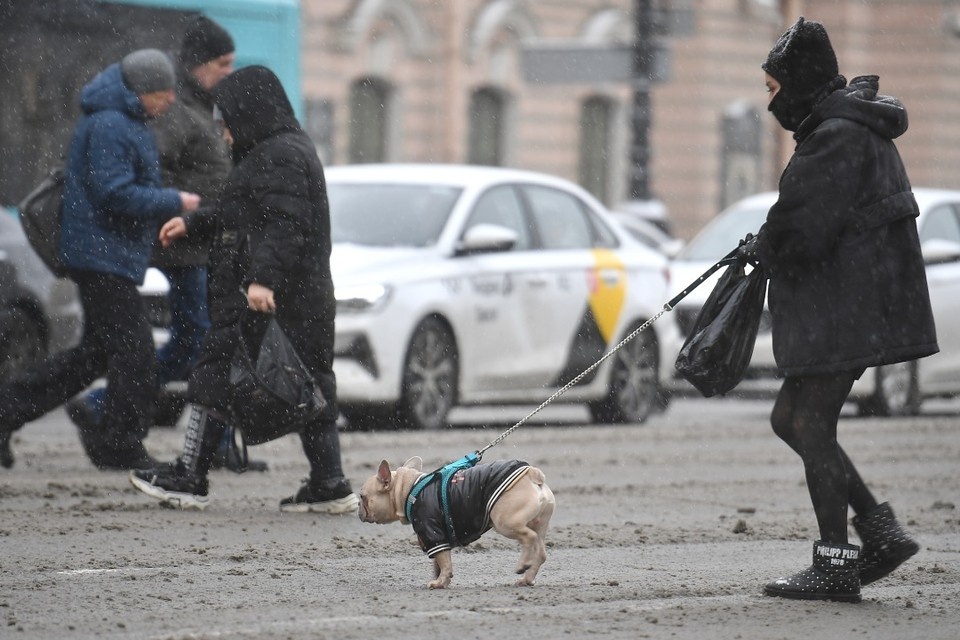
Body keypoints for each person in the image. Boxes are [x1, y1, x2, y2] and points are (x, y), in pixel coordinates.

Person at [739, 17, 939, 603]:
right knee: (791, 418)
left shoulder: (837, 135)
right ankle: (880, 533)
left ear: (799, 82)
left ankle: (835, 562)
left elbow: (805, 227)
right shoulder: (846, 128)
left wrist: (765, 243)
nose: (770, 102)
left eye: (774, 88)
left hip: (846, 304)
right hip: (853, 300)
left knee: (808, 423)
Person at [129, 65, 359, 513]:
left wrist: (262, 280)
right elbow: (244, 211)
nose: (223, 130)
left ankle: (189, 477)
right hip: (299, 299)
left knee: (216, 374)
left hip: (270, 299)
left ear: (250, 114)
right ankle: (329, 483)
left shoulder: (279, 155)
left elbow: (285, 223)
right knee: (310, 384)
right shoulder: (278, 150)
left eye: (227, 119)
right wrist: (194, 223)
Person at [66, 16, 261, 472]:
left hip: (208, 242)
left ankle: (212, 440)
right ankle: (105, 405)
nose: (229, 72)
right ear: (198, 64)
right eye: (222, 63)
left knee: (210, 342)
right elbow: (151, 174)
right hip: (186, 247)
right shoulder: (171, 110)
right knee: (195, 341)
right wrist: (184, 207)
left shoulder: (202, 106)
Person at [0, 49, 200, 469]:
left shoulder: (123, 121)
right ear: (140, 90)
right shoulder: (112, 124)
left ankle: (7, 411)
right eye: (162, 93)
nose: (169, 100)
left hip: (107, 255)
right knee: (136, 354)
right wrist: (174, 200)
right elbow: (113, 192)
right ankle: (120, 444)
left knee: (94, 356)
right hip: (101, 257)